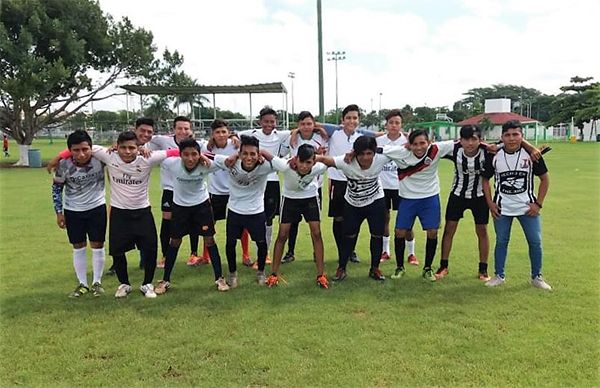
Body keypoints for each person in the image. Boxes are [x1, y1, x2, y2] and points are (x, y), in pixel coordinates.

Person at [57, 130, 179, 298]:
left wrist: (201, 156)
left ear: (138, 148)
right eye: (123, 148)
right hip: (119, 212)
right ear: (117, 147)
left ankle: (147, 284)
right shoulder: (108, 155)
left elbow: (175, 151)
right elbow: (82, 147)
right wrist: (58, 158)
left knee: (150, 249)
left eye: (131, 148)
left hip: (142, 211)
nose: (127, 152)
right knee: (118, 251)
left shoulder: (148, 158)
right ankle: (124, 284)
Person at [317, 136, 402, 282]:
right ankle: (342, 268)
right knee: (348, 236)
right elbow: (325, 160)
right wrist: (304, 157)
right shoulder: (346, 162)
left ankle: (375, 268)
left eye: (369, 153)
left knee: (377, 235)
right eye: (361, 154)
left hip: (375, 202)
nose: (365, 157)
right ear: (355, 153)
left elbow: (404, 149)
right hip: (353, 204)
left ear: (374, 153)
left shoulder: (381, 158)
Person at [482, 120, 552, 290]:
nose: (512, 139)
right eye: (507, 135)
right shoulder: (494, 154)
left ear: (522, 136)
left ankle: (537, 277)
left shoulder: (532, 155)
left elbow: (545, 179)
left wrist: (538, 204)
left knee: (535, 242)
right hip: (502, 208)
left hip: (527, 208)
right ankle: (499, 275)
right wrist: (490, 203)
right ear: (502, 137)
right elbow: (485, 180)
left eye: (516, 134)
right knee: (502, 242)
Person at [155, 139, 228, 294]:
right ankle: (165, 280)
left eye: (194, 154)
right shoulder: (172, 164)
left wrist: (207, 156)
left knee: (209, 240)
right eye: (186, 154)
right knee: (174, 241)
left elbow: (227, 161)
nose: (190, 158)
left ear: (199, 154)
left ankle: (219, 278)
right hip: (180, 208)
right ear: (179, 155)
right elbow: (153, 156)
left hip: (201, 207)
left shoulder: (206, 164)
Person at [384, 129, 456, 282]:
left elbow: (462, 142)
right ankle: (399, 267)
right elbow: (374, 149)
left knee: (432, 232)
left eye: (422, 143)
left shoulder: (437, 149)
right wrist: (352, 152)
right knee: (399, 232)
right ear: (409, 144)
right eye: (415, 144)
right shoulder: (400, 152)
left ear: (429, 143)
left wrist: (489, 146)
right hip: (407, 199)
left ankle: (427, 268)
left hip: (429, 198)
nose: (419, 147)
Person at [211, 135, 279, 286]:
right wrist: (233, 156)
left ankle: (261, 272)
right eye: (245, 154)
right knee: (230, 244)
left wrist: (265, 153)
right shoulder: (230, 163)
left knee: (261, 244)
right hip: (235, 211)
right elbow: (210, 156)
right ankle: (233, 273)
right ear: (240, 154)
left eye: (253, 154)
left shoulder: (265, 166)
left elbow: (282, 165)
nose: (249, 157)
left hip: (256, 213)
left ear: (258, 154)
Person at [265, 143, 329, 288]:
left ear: (314, 162)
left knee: (317, 233)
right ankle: (274, 274)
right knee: (282, 235)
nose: (304, 166)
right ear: (296, 159)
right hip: (289, 200)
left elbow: (329, 161)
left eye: (309, 163)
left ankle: (321, 275)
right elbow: (264, 152)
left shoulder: (319, 167)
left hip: (310, 199)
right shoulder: (285, 165)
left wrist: (319, 156)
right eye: (301, 161)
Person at [52, 130, 106, 297]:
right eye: (76, 150)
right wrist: (59, 212)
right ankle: (82, 284)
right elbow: (56, 188)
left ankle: (97, 282)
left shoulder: (100, 159)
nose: (81, 154)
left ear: (91, 148)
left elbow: (119, 150)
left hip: (97, 207)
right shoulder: (63, 165)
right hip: (73, 210)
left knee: (97, 245)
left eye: (85, 149)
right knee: (78, 246)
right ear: (70, 150)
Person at [145, 116, 204, 268]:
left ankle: (193, 254)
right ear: (174, 129)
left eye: (186, 128)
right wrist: (142, 147)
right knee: (167, 222)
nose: (183, 131)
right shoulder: (163, 141)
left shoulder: (197, 144)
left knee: (193, 222)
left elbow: (212, 146)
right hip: (170, 189)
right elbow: (143, 138)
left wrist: (232, 136)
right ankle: (165, 255)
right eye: (179, 128)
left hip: (189, 189)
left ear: (190, 130)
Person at [237, 107, 291, 265]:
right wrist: (234, 138)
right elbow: (234, 135)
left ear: (276, 123)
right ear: (260, 121)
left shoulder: (281, 135)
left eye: (272, 122)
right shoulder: (251, 134)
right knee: (253, 217)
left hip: (272, 181)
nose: (269, 124)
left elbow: (300, 129)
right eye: (266, 121)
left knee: (268, 219)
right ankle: (250, 253)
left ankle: (265, 253)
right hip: (255, 180)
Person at [281, 111, 327, 264]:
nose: (306, 127)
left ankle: (316, 253)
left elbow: (340, 128)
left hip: (314, 187)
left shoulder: (321, 137)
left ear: (314, 124)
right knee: (292, 223)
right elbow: (283, 156)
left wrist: (319, 128)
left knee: (314, 225)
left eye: (309, 123)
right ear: (298, 125)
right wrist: (294, 132)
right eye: (302, 124)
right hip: (294, 189)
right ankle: (290, 252)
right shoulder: (292, 139)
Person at [205, 119, 253, 266]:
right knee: (208, 224)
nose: (221, 135)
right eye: (217, 132)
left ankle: (246, 255)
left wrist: (236, 140)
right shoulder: (207, 147)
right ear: (212, 134)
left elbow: (251, 150)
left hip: (235, 192)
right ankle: (205, 256)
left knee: (243, 224)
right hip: (216, 192)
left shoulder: (235, 144)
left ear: (228, 132)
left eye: (223, 131)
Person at [376, 109, 418, 265]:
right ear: (386, 125)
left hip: (403, 187)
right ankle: (385, 251)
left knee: (406, 222)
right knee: (384, 219)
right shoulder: (379, 142)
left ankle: (411, 253)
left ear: (401, 125)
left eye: (397, 123)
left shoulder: (408, 142)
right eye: (391, 123)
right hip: (383, 186)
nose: (394, 125)